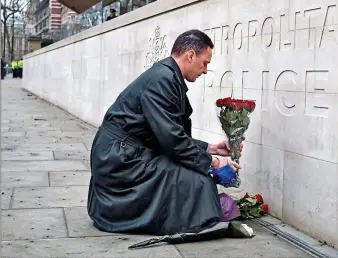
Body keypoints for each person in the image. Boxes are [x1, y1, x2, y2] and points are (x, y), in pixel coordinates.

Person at [87, 29, 242, 236]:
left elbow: (170, 133)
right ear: (190, 56)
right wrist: (214, 162)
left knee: (198, 177)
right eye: (205, 63)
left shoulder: (167, 76)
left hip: (126, 152)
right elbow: (172, 141)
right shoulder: (162, 79)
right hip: (121, 161)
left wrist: (212, 148)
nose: (205, 70)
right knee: (198, 181)